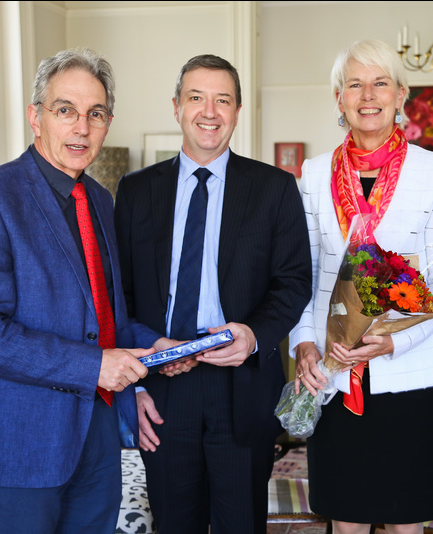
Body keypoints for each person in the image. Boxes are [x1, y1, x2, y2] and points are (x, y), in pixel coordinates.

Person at [0, 48, 152, 534]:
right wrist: (95, 365)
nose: (82, 127)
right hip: (20, 445)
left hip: (97, 439)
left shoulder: (98, 199)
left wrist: (153, 345)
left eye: (95, 114)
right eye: (66, 110)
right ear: (36, 117)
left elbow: (103, 317)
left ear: (107, 123)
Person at [113, 54, 312, 534]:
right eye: (197, 97)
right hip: (162, 388)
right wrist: (134, 387)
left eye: (223, 100)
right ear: (177, 106)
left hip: (241, 389)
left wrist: (254, 334)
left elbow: (294, 280)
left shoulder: (275, 188)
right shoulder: (135, 190)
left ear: (238, 111)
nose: (210, 111)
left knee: (241, 524)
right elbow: (120, 297)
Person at [288, 39, 433, 533]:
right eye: (355, 84)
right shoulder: (316, 172)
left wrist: (394, 341)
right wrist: (304, 343)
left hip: (411, 376)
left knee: (404, 522)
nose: (369, 95)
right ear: (339, 98)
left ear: (401, 94)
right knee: (346, 519)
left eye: (380, 83)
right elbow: (304, 270)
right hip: (335, 372)